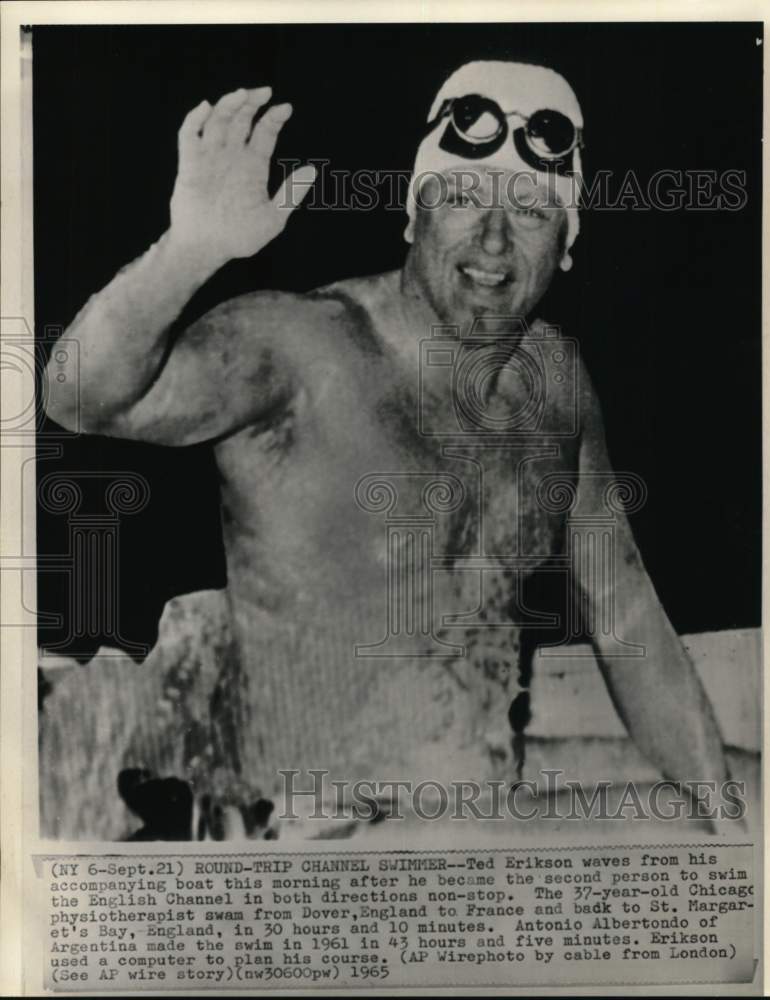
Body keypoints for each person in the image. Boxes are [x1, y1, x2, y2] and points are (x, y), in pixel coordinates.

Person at [44, 60, 730, 832]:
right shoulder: (304, 345)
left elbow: (624, 613)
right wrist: (190, 249)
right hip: (314, 838)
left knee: (753, 801)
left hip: (472, 804)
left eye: (533, 209)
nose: (494, 240)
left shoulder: (555, 382)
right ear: (413, 214)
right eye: (463, 198)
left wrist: (725, 815)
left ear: (568, 242)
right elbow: (78, 394)